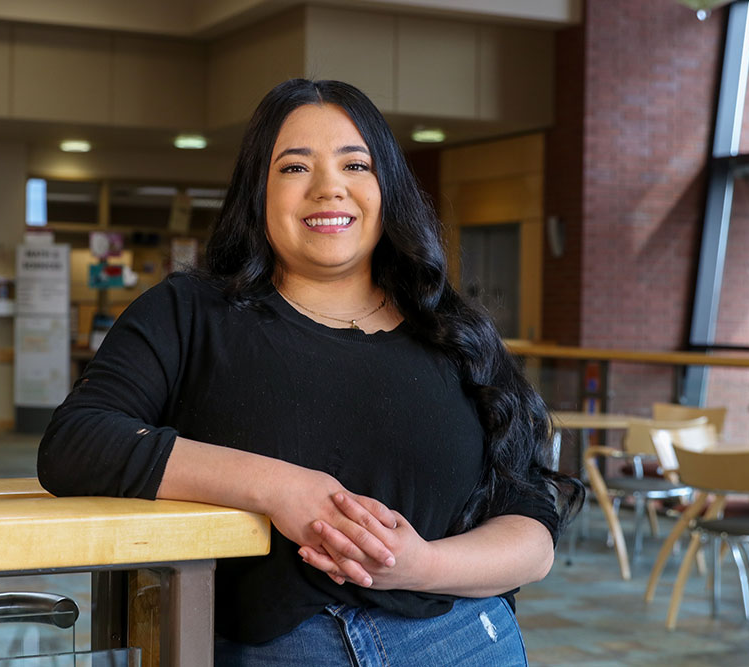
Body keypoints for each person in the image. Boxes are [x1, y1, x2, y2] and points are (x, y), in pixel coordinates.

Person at [38, 78, 583, 665]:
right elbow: (75, 442)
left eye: (356, 164)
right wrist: (276, 487)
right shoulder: (188, 313)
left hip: (458, 638)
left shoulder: (454, 332)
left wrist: (420, 565)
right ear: (259, 192)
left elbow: (532, 529)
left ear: (386, 188)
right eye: (295, 168)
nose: (330, 188)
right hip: (272, 648)